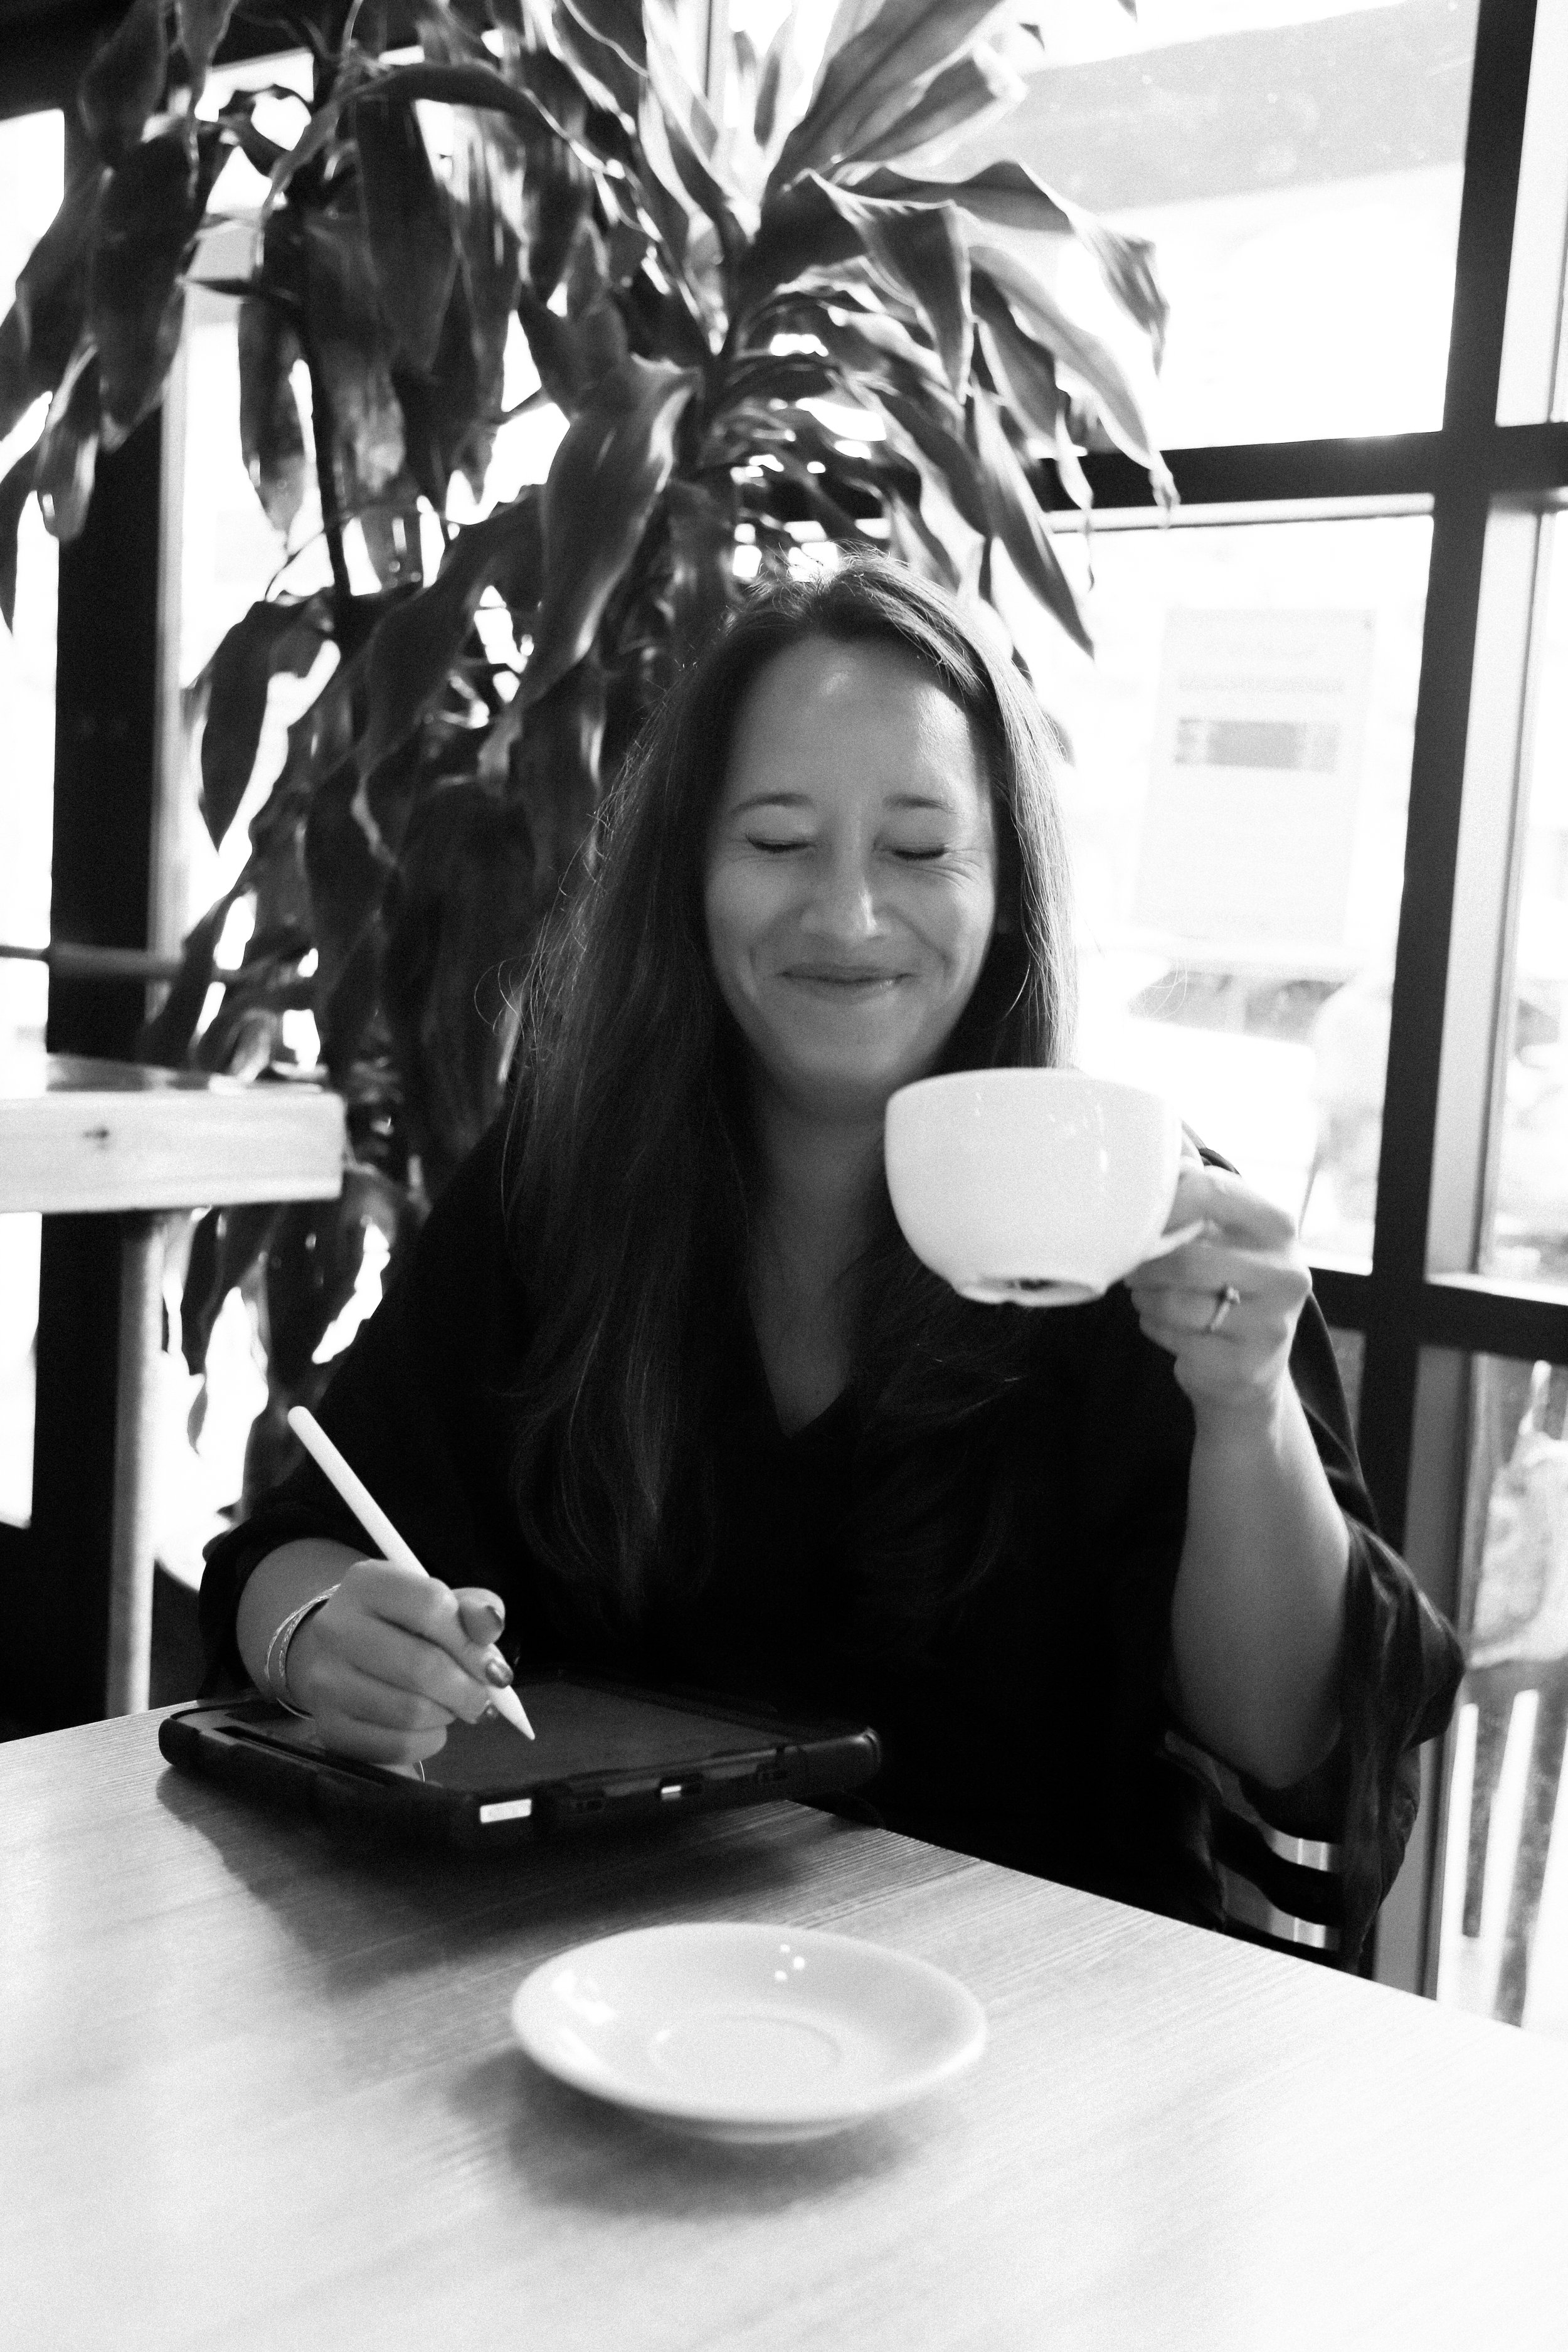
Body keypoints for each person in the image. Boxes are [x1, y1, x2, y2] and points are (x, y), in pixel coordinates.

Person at [200, 556, 1461, 1965]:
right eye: (778, 840)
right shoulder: (561, 1185)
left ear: (1007, 891)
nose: (849, 915)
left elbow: (1284, 1735)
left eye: (919, 850)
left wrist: (1244, 1407)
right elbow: (300, 1531)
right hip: (595, 1999)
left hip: (1036, 2050)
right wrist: (315, 1632)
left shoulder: (1136, 1213)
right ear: (688, 870)